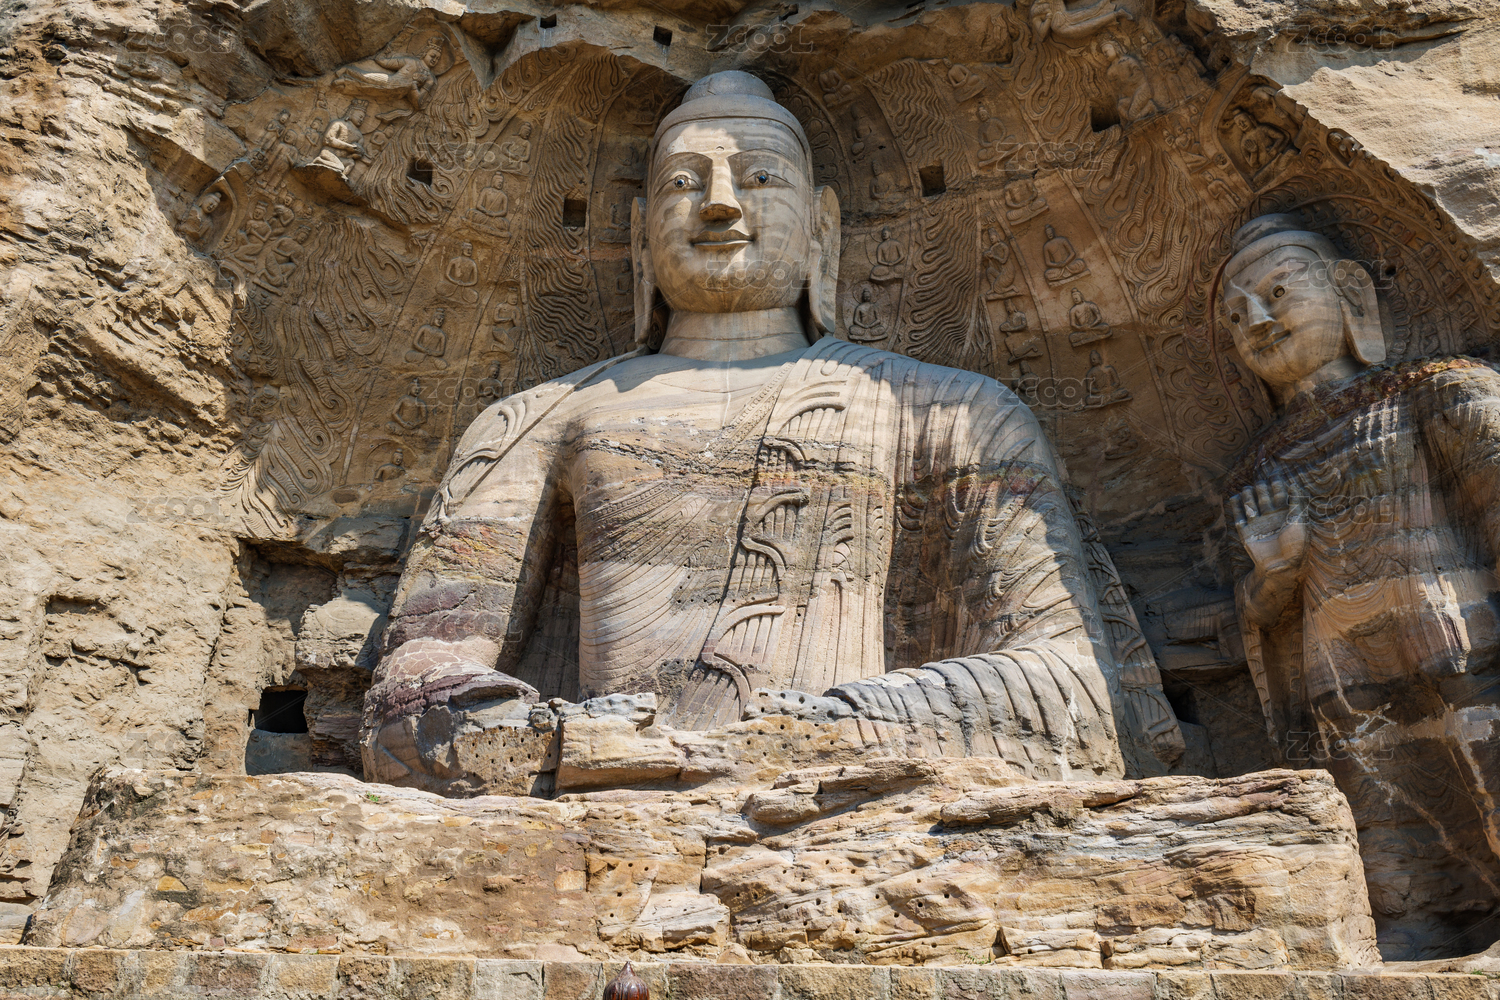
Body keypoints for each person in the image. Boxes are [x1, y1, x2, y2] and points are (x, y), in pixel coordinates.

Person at [361, 70, 1180, 791]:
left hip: (858, 816)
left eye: (760, 178)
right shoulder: (541, 421)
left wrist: (816, 731)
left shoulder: (947, 413)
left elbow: (1076, 694)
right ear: (639, 232)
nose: (720, 203)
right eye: (684, 182)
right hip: (599, 798)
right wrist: (573, 744)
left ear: (823, 225)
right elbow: (415, 685)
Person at [1222, 213, 1500, 957]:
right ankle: (1416, 925)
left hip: (1457, 636)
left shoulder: (1436, 390)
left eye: (1278, 292)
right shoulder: (1259, 470)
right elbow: (1262, 616)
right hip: (1341, 674)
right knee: (1380, 806)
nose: (1258, 321)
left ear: (1349, 291)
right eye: (1236, 318)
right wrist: (1276, 570)